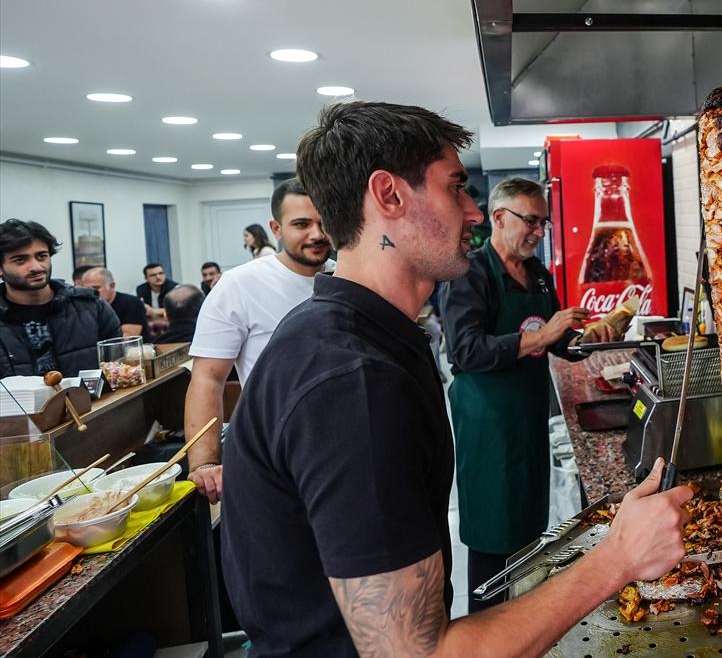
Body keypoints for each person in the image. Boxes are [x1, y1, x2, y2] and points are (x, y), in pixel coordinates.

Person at [220, 101, 692, 658]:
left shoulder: (363, 334)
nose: (473, 211)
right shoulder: (353, 382)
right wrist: (618, 558)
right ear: (388, 195)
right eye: (456, 188)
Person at [441, 177, 617, 612]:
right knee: (492, 529)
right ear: (499, 217)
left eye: (544, 223)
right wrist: (546, 334)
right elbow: (464, 351)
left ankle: (521, 617)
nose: (540, 233)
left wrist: (591, 338)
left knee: (528, 523)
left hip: (528, 416)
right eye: (531, 222)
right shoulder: (470, 273)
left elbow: (558, 344)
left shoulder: (538, 275)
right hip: (488, 424)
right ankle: (485, 627)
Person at [184, 178, 332, 503]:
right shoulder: (239, 285)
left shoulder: (348, 277)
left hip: (341, 447)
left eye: (324, 222)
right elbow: (208, 378)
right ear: (276, 228)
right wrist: (205, 462)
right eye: (302, 224)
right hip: (272, 454)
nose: (317, 234)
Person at [0, 219, 120, 378]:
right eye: (20, 260)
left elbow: (120, 369)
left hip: (95, 402)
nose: (36, 267)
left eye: (42, 256)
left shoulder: (92, 307)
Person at [79, 267, 146, 337]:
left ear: (112, 286)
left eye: (96, 288)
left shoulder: (132, 303)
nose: (91, 292)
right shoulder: (87, 306)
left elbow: (129, 337)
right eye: (86, 289)